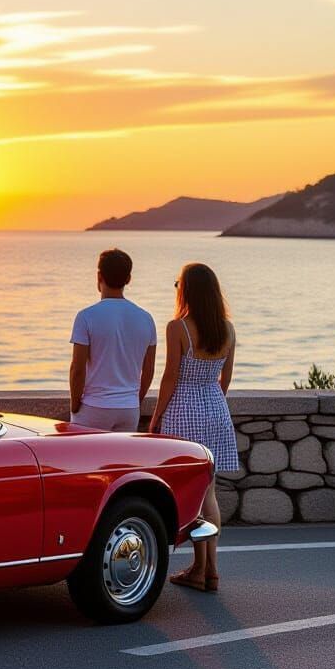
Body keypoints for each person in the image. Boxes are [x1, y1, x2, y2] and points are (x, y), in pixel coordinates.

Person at [149, 262, 237, 592]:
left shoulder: (178, 328)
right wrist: (211, 400)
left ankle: (202, 570)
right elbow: (224, 379)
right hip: (215, 407)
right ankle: (207, 568)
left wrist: (156, 417)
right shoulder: (227, 329)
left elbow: (170, 377)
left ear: (187, 291)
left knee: (192, 492)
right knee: (209, 491)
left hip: (184, 410)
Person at [69, 248, 157, 432]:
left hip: (94, 407)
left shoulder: (86, 317)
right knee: (122, 461)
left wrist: (75, 405)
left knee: (87, 460)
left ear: (99, 276)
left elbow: (77, 369)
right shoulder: (146, 318)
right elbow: (148, 370)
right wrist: (135, 400)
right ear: (128, 279)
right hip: (129, 409)